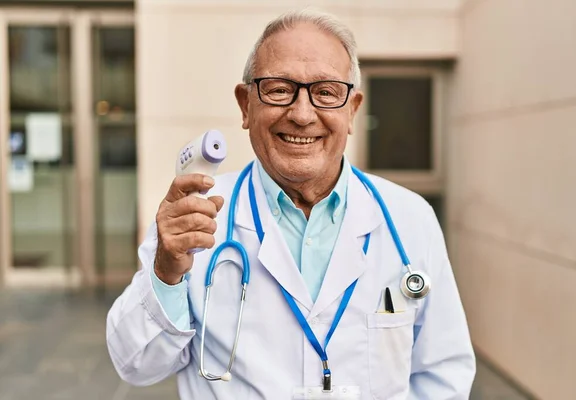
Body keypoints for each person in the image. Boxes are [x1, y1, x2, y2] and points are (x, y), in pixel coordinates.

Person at [106, 8, 476, 399]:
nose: (302, 115)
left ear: (352, 110)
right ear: (245, 104)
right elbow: (136, 364)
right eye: (279, 89)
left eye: (326, 92)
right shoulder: (194, 218)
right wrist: (165, 274)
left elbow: (443, 373)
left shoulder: (409, 218)